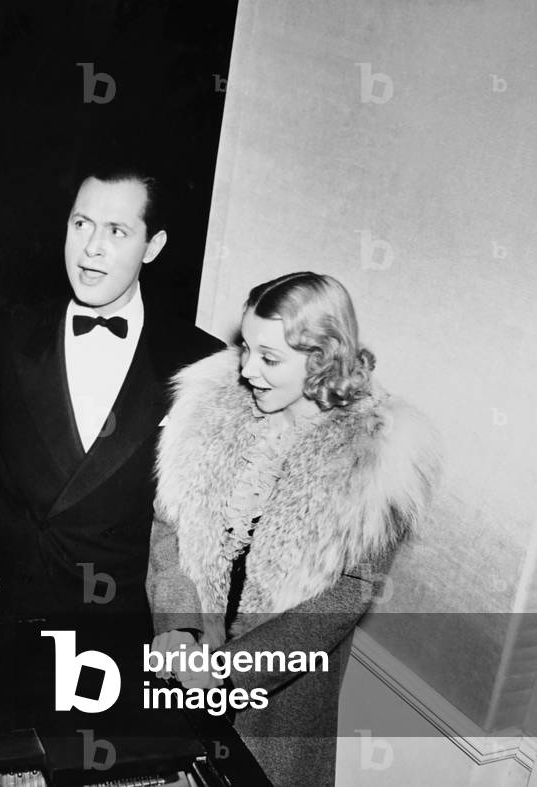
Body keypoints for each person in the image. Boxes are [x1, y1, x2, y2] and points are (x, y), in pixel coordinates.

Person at [146, 272, 440, 786]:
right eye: (245, 348)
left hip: (278, 706)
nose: (247, 369)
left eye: (269, 358)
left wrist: (230, 670)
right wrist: (179, 627)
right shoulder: (211, 405)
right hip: (184, 683)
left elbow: (342, 600)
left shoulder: (376, 454)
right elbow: (168, 524)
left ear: (321, 358)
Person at [0, 165, 224, 624]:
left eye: (117, 231)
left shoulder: (200, 363)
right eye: (81, 224)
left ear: (153, 246)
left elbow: (203, 522)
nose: (91, 248)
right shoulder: (9, 333)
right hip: (2, 597)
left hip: (120, 618)